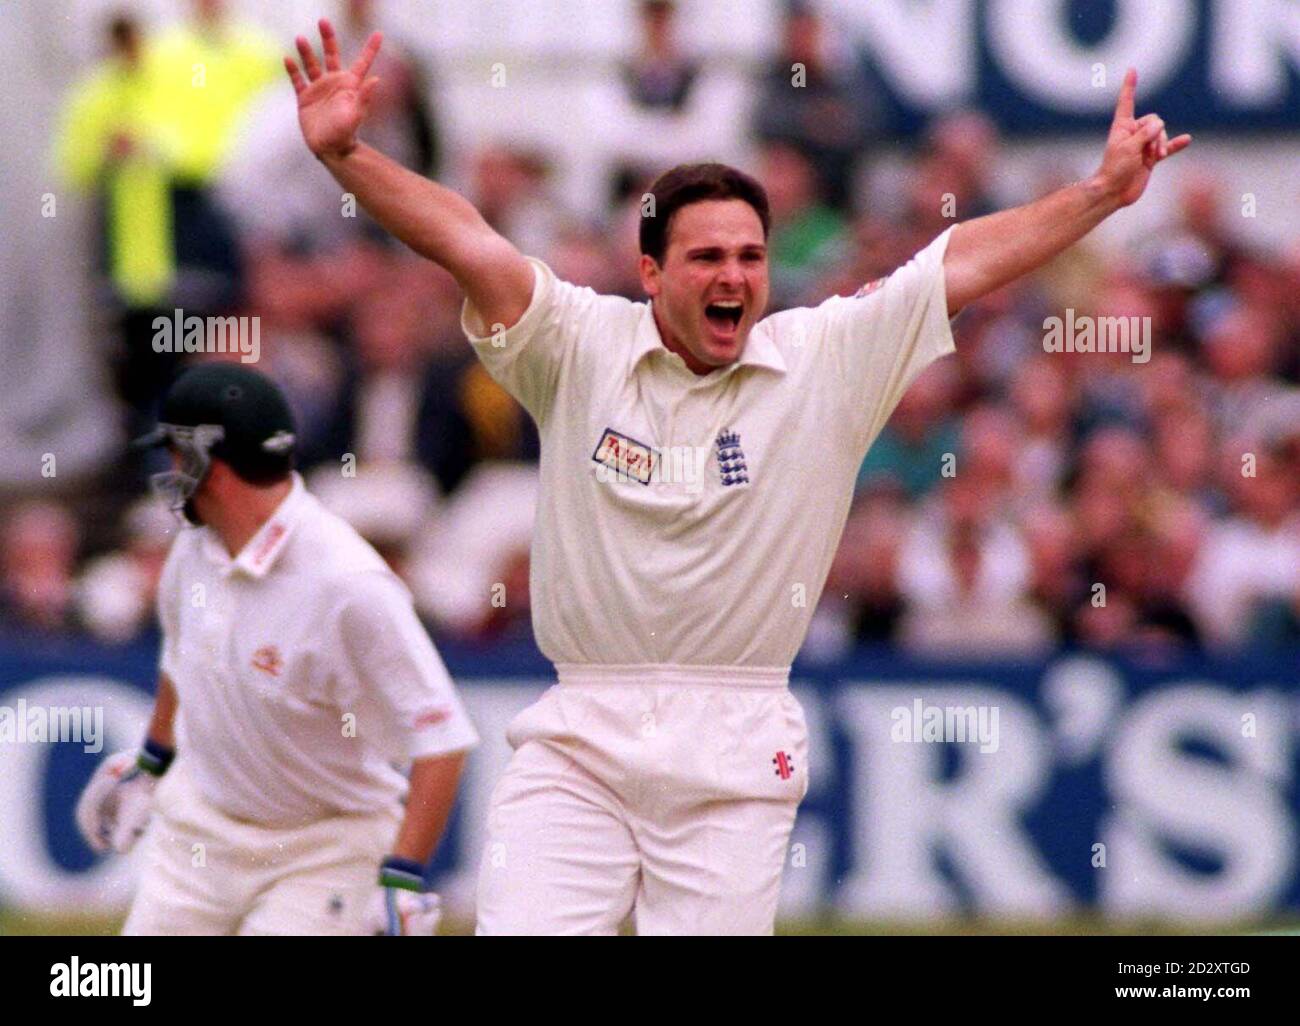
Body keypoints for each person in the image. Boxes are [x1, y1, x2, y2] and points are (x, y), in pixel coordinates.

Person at [284, 20, 1189, 934]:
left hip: (738, 744)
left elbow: (960, 261)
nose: (735, 277)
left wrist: (1103, 192)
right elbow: (468, 243)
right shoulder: (579, 343)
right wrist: (350, 155)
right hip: (579, 737)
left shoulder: (822, 358)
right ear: (650, 271)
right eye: (707, 258)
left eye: (751, 257)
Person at [75, 363, 478, 935]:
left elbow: (442, 741)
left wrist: (403, 878)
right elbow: (180, 662)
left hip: (326, 847)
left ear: (205, 464)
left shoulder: (349, 585)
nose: (165, 472)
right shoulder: (193, 549)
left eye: (172, 454)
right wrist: (149, 766)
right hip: (200, 833)